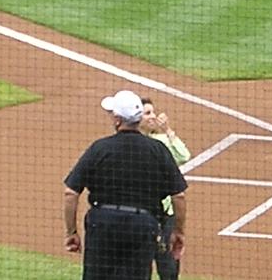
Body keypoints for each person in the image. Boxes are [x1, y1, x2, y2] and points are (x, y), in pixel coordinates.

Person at [64, 90, 188, 280]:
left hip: (102, 225)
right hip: (142, 226)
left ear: (117, 120)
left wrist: (71, 232)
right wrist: (178, 232)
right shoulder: (158, 149)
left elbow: (71, 193)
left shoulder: (100, 148)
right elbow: (178, 195)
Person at [140, 98, 190, 280]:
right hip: (142, 215)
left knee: (168, 269)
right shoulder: (131, 145)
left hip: (165, 215)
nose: (153, 116)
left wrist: (168, 131)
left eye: (153, 112)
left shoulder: (162, 141)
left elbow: (184, 156)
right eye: (147, 113)